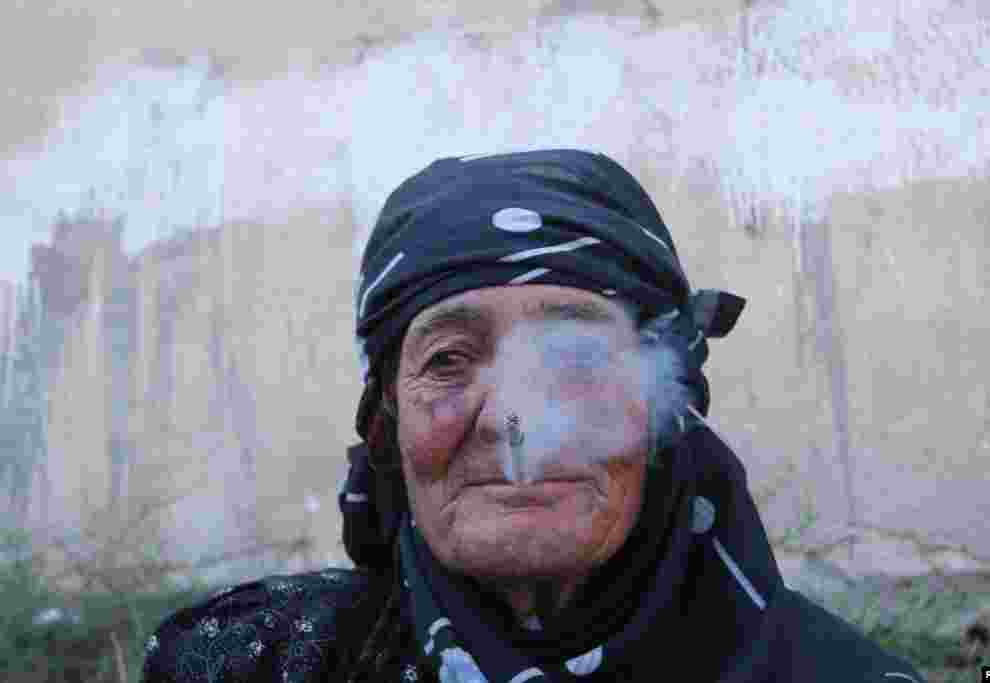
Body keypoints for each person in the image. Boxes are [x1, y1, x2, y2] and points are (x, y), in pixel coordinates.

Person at [141, 149, 924, 682]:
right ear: (386, 422)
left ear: (666, 403)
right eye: (448, 359)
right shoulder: (245, 662)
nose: (511, 418)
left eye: (576, 358)